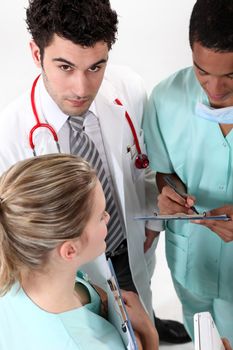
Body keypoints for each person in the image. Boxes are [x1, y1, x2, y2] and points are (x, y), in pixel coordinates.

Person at [0, 0, 189, 343]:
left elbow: (144, 165)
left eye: (96, 67)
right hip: (70, 272)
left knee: (136, 316)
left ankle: (150, 326)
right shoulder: (10, 134)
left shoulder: (128, 88)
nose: (82, 89)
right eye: (65, 67)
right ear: (34, 53)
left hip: (130, 249)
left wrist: (151, 220)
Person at [143, 0, 233, 345]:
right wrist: (169, 193)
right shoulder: (166, 98)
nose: (214, 89)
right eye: (202, 72)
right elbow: (163, 173)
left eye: (230, 75)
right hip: (190, 262)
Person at [0, 153, 158, 349]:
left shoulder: (15, 268)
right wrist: (149, 333)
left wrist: (97, 298)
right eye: (101, 216)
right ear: (69, 251)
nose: (108, 218)